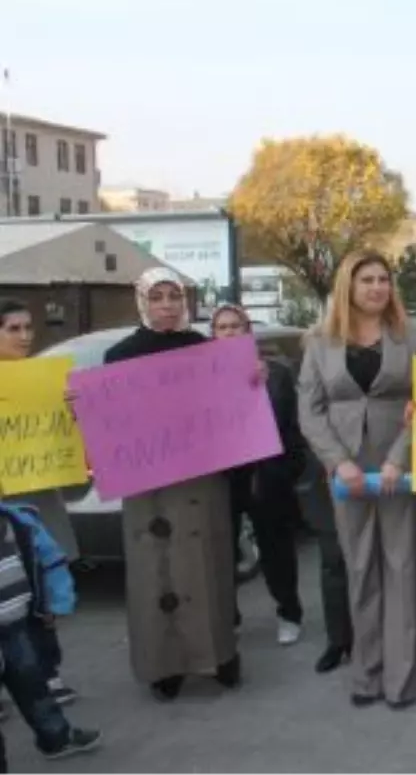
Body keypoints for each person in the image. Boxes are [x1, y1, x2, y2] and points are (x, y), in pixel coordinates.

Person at [101, 268, 242, 701]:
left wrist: (248, 378)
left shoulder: (202, 349)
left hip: (201, 478)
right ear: (142, 301)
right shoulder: (119, 355)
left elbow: (228, 405)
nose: (166, 305)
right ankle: (165, 666)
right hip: (149, 483)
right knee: (155, 571)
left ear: (184, 302)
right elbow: (109, 421)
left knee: (208, 565)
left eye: (174, 297)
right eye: (157, 297)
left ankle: (218, 655)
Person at [297, 250, 416, 709]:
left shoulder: (413, 337)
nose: (377, 287)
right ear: (347, 287)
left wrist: (399, 458)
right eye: (366, 279)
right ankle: (366, 674)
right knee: (360, 569)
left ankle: (403, 680)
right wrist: (338, 461)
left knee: (401, 567)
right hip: (346, 471)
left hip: (400, 468)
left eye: (383, 279)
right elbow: (309, 411)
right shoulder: (319, 342)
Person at [211, 304, 307, 646]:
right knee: (222, 552)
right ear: (214, 335)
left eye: (236, 326)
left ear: (248, 331)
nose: (230, 332)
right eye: (222, 327)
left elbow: (293, 428)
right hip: (224, 478)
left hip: (266, 476)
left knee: (276, 550)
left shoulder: (276, 374)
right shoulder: (203, 378)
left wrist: (287, 472)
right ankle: (229, 618)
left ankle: (289, 612)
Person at [0, 299, 80, 706]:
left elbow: (72, 454)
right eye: (13, 328)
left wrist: (74, 416)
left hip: (40, 507)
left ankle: (49, 676)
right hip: (3, 513)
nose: (25, 335)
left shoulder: (50, 380)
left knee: (41, 597)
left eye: (28, 327)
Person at [0, 500, 100, 761]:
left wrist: (54, 602)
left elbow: (50, 561)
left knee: (34, 688)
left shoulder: (19, 521)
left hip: (15, 625)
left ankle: (56, 738)